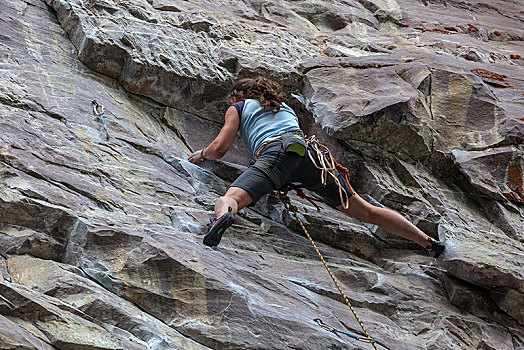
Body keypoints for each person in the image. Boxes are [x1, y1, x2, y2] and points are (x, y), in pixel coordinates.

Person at [188, 76, 445, 258]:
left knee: (231, 197)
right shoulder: (284, 108)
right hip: (312, 160)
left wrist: (201, 154)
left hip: (275, 156)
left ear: (241, 95)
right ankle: (428, 243)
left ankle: (223, 217)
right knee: (366, 211)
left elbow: (220, 148)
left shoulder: (239, 107)